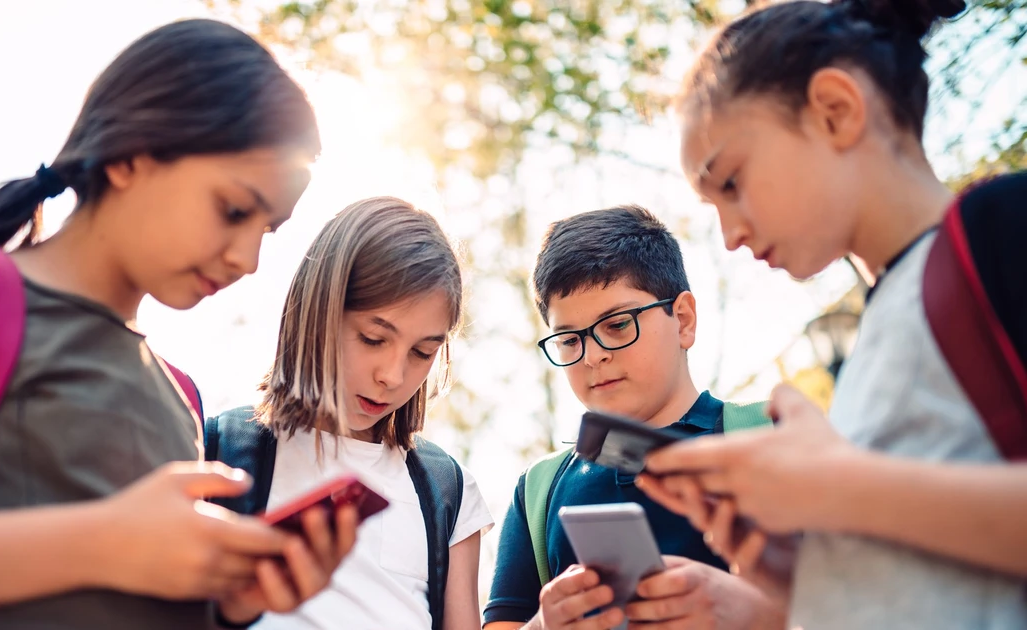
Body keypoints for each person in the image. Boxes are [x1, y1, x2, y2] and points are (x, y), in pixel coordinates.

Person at [0, 19, 358, 630]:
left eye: (268, 229)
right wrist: (97, 544)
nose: (248, 259)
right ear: (131, 156)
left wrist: (230, 605)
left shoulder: (181, 398)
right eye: (234, 209)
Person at [636, 0, 1027, 627]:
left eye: (731, 182)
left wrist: (838, 488)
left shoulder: (1001, 228)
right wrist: (796, 582)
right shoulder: (878, 331)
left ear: (834, 111)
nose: (729, 236)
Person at [482, 206, 782, 630]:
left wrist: (753, 613)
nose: (593, 355)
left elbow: (875, 599)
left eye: (618, 325)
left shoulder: (772, 439)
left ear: (683, 320)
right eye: (569, 340)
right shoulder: (537, 490)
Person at [205, 196, 494, 630]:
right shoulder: (217, 451)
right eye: (374, 338)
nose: (393, 376)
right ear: (319, 311)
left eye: (422, 351)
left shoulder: (447, 489)